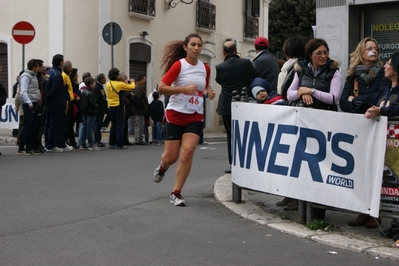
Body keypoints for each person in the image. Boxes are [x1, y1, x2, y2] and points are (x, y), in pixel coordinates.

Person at [153, 33, 216, 206]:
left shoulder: (206, 68)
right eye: (193, 45)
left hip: (195, 115)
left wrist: (208, 93)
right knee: (171, 157)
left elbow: (204, 88)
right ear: (185, 47)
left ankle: (176, 192)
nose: (196, 48)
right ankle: (163, 166)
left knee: (187, 152)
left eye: (199, 45)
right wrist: (183, 89)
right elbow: (162, 87)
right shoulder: (178, 66)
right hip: (176, 113)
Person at [286, 38, 342, 218]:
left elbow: (334, 98)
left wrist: (310, 91)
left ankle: (319, 212)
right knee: (305, 164)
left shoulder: (334, 71)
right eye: (319, 53)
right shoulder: (300, 69)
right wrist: (302, 92)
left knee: (321, 166)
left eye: (325, 52)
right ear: (310, 55)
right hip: (305, 123)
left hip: (325, 124)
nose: (323, 56)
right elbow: (289, 93)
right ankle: (304, 208)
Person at [362, 53, 399, 229]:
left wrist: (382, 111)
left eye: (389, 63)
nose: (385, 66)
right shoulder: (386, 89)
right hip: (383, 144)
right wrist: (371, 110)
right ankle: (375, 216)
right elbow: (376, 104)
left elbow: (391, 109)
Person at [215, 40, 258, 174]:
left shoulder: (220, 67)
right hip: (244, 103)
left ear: (223, 52)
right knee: (246, 134)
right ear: (235, 50)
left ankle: (233, 163)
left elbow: (219, 81)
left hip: (227, 104)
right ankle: (247, 161)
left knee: (231, 136)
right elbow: (254, 76)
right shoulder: (245, 63)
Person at [340, 37, 390, 114]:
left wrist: (355, 100)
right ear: (360, 52)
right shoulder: (353, 75)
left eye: (376, 49)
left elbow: (380, 97)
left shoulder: (383, 73)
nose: (374, 51)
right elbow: (343, 102)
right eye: (369, 49)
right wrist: (363, 108)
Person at [105, 67, 135, 149]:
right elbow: (131, 87)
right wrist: (132, 82)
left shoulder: (108, 84)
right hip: (118, 105)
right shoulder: (119, 84)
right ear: (116, 76)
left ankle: (112, 143)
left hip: (111, 105)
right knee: (119, 125)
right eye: (118, 74)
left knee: (113, 125)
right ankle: (119, 143)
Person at [44, 54, 68, 153]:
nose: (64, 62)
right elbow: (54, 90)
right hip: (56, 104)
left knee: (48, 124)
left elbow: (46, 87)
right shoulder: (58, 75)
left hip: (49, 104)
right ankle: (51, 145)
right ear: (60, 62)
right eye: (63, 61)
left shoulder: (49, 72)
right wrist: (49, 99)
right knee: (54, 125)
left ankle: (48, 143)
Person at [17, 59, 40, 155]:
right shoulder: (26, 77)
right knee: (27, 126)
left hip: (34, 103)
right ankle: (21, 148)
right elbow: (23, 91)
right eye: (38, 67)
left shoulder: (34, 76)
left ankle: (29, 148)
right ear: (34, 67)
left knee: (32, 126)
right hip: (29, 104)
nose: (38, 68)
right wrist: (29, 103)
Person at [78, 77, 100, 151]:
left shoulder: (84, 92)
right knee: (90, 128)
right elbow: (93, 104)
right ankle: (91, 144)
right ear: (90, 84)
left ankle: (82, 144)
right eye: (93, 83)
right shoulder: (91, 93)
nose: (94, 85)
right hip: (91, 112)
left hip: (84, 112)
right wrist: (96, 106)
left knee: (84, 127)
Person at [32, 59, 48, 154]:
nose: (43, 68)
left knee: (40, 126)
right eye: (41, 66)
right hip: (36, 103)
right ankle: (34, 144)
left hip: (42, 103)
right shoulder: (34, 77)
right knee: (36, 126)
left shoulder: (41, 78)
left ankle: (38, 144)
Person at [133, 74, 150, 145]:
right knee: (139, 124)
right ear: (140, 80)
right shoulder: (138, 88)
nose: (145, 80)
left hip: (140, 109)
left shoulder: (139, 87)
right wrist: (144, 106)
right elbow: (139, 98)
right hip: (140, 110)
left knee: (139, 124)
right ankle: (138, 139)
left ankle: (138, 138)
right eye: (144, 79)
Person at [94, 73, 107, 147]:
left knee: (98, 124)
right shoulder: (97, 87)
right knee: (97, 125)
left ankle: (98, 140)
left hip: (102, 108)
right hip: (99, 109)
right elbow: (98, 98)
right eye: (104, 78)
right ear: (101, 79)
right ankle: (97, 140)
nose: (105, 80)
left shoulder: (100, 86)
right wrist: (102, 105)